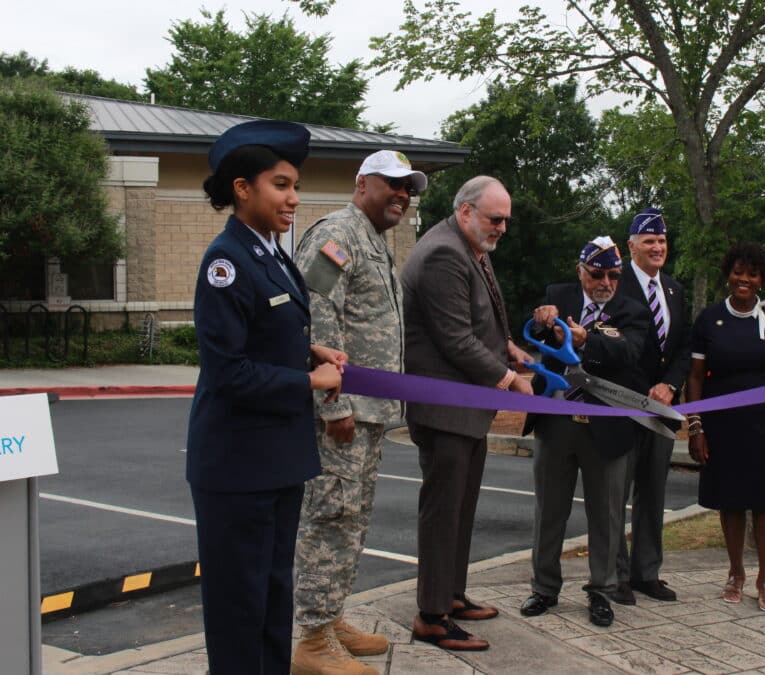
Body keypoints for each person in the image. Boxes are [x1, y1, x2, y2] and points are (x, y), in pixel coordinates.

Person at [187, 119, 347, 673]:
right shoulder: (226, 263)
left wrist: (312, 353)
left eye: (295, 186)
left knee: (274, 599)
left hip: (276, 462)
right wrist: (309, 381)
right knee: (240, 609)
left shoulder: (272, 255)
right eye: (281, 184)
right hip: (237, 469)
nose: (293, 198)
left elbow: (265, 337)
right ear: (242, 188)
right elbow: (228, 372)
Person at [290, 150, 426, 674]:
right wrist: (335, 405)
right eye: (391, 183)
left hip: (370, 414)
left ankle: (330, 619)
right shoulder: (339, 235)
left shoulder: (373, 239)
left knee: (352, 519)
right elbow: (317, 317)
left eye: (408, 188)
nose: (401, 194)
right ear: (362, 183)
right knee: (330, 517)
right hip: (342, 414)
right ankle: (310, 640)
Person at [400, 175, 533, 651]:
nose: (501, 229)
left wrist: (512, 349)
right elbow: (455, 338)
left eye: (505, 221)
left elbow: (484, 320)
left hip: (465, 409)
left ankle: (451, 595)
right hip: (444, 412)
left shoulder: (470, 246)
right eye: (495, 219)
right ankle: (432, 616)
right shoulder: (443, 254)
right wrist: (508, 380)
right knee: (443, 514)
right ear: (465, 212)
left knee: (461, 510)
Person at [519, 236, 651, 627]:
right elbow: (538, 340)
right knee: (549, 511)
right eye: (596, 274)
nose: (605, 283)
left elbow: (627, 353)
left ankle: (602, 591)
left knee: (607, 515)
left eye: (613, 275)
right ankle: (543, 588)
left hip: (607, 429)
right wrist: (544, 321)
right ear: (581, 272)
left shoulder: (633, 310)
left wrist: (585, 340)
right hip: (557, 420)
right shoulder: (558, 296)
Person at [684, 241, 765, 613]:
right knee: (731, 502)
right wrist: (695, 426)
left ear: (762, 279)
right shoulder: (708, 320)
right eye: (738, 272)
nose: (744, 280)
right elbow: (694, 379)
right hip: (723, 427)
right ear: (728, 274)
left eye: (752, 274)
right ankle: (735, 572)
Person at [611, 207, 691, 605]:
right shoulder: (615, 285)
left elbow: (682, 348)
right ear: (632, 246)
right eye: (649, 241)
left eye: (661, 240)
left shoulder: (675, 290)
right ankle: (616, 576)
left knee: (653, 494)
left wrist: (670, 385)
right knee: (616, 494)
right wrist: (639, 389)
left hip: (661, 409)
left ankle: (647, 573)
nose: (657, 247)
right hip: (623, 407)